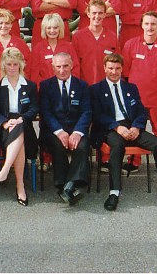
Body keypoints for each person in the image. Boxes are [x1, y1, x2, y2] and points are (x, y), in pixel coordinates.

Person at [90, 54, 157, 211]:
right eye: (110, 68)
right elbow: (97, 115)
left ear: (122, 69)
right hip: (110, 129)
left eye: (117, 68)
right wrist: (116, 127)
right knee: (118, 145)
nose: (114, 72)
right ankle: (114, 192)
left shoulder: (131, 87)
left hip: (131, 127)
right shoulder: (96, 89)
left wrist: (136, 126)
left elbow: (141, 111)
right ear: (104, 68)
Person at [121, 11, 157, 172]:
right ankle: (133, 162)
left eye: (153, 24)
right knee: (136, 129)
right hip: (137, 100)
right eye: (146, 23)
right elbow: (125, 73)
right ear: (141, 25)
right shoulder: (131, 44)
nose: (150, 27)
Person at [38, 52, 91, 204]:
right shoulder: (46, 86)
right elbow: (46, 112)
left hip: (76, 130)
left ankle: (67, 186)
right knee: (58, 146)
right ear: (53, 67)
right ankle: (68, 185)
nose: (62, 70)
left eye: (66, 66)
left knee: (82, 146)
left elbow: (87, 111)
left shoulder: (82, 85)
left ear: (72, 65)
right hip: (53, 131)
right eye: (58, 66)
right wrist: (60, 132)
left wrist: (77, 132)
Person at [0, 48, 38, 205]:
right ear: (3, 65)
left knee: (20, 130)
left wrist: (22, 119)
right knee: (18, 134)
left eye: (15, 64)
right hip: (2, 127)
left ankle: (5, 170)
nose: (12, 67)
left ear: (21, 65)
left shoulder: (30, 86)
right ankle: (20, 187)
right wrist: (4, 122)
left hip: (24, 124)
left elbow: (34, 108)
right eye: (9, 64)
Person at [72, 0, 118, 85]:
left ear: (105, 14)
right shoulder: (78, 37)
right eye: (94, 13)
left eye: (100, 13)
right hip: (84, 87)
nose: (97, 16)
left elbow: (117, 64)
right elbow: (74, 65)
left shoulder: (112, 37)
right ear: (88, 14)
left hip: (106, 87)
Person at [29, 12, 79, 84]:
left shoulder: (68, 47)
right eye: (49, 28)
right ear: (44, 29)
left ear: (60, 28)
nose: (52, 31)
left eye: (55, 28)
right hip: (45, 90)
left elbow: (75, 69)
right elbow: (34, 73)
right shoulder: (38, 48)